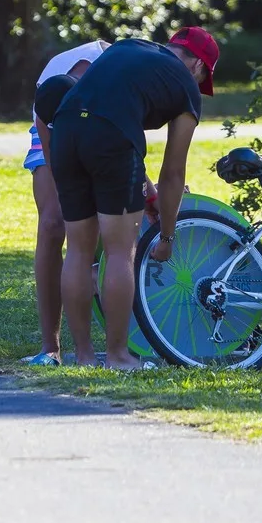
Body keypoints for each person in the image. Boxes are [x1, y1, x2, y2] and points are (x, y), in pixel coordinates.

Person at [47, 26, 219, 369]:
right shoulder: (187, 87)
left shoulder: (129, 46)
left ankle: (82, 357)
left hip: (65, 129)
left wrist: (145, 191)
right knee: (118, 251)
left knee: (79, 251)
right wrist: (167, 237)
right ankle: (117, 356)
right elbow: (173, 172)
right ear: (199, 66)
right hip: (109, 136)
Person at [22, 40, 110, 365]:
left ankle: (104, 343)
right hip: (52, 125)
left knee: (100, 227)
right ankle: (50, 348)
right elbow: (48, 135)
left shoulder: (128, 81)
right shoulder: (81, 70)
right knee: (53, 223)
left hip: (99, 130)